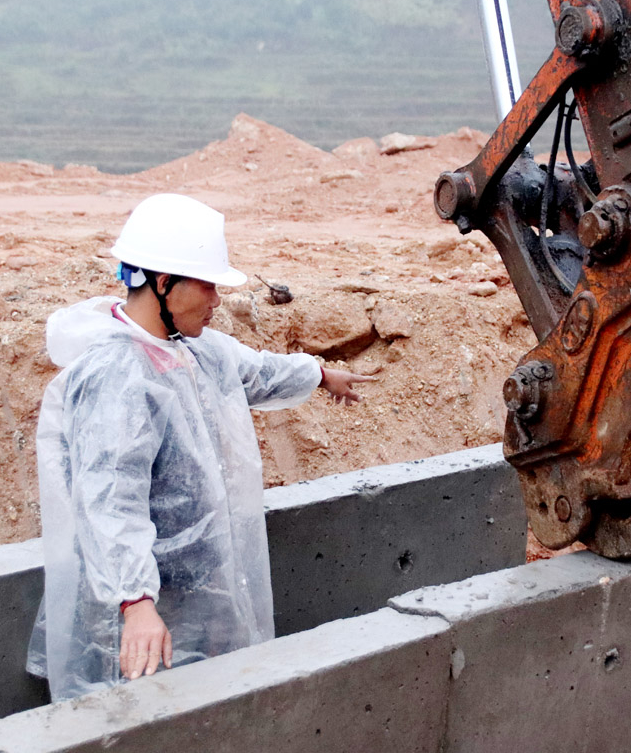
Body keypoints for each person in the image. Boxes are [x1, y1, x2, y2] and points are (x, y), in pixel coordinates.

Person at [27, 193, 374, 700]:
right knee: (143, 724)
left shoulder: (194, 349)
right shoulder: (116, 377)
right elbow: (109, 497)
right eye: (208, 285)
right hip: (140, 614)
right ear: (163, 283)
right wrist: (136, 603)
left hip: (196, 600)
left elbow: (254, 371)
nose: (216, 300)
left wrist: (321, 373)